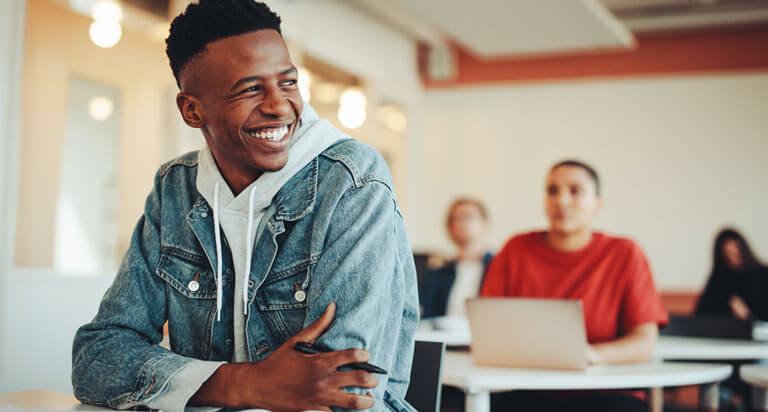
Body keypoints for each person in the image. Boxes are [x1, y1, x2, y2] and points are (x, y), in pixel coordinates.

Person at [71, 2, 419, 411]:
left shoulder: (351, 180)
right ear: (192, 110)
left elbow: (343, 393)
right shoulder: (176, 188)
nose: (279, 105)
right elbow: (96, 358)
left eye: (288, 83)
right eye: (250, 89)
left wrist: (196, 382)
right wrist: (248, 384)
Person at [480, 159, 668, 412]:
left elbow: (645, 341)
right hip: (529, 389)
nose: (562, 200)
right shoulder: (515, 249)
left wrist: (595, 354)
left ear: (598, 204)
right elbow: (488, 329)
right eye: (552, 190)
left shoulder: (625, 253)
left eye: (575, 191)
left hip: (606, 391)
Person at [420, 197, 493, 320]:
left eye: (468, 217)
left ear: (484, 223)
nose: (460, 223)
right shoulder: (439, 272)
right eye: (454, 219)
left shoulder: (498, 267)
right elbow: (428, 314)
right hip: (444, 336)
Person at [696, 228, 768, 321]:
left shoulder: (763, 275)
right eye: (728, 255)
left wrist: (749, 315)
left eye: (737, 253)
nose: (734, 259)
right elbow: (701, 315)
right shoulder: (718, 278)